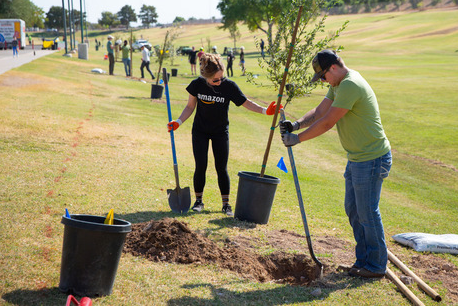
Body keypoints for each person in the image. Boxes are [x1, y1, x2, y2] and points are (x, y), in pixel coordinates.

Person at [280, 49, 392, 279]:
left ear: (333, 68)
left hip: (372, 159)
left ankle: (377, 265)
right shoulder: (338, 84)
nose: (322, 81)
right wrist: (296, 125)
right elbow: (320, 110)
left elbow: (328, 122)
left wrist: (297, 140)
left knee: (367, 212)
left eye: (322, 76)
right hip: (357, 158)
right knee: (353, 209)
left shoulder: (350, 84)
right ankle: (364, 260)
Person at [167, 53, 282, 217]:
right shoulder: (197, 85)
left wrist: (265, 111)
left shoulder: (229, 86)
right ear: (205, 77)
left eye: (221, 78)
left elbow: (246, 103)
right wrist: (178, 121)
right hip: (200, 131)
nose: (219, 82)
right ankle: (198, 201)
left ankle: (226, 204)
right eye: (215, 80)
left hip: (220, 132)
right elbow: (190, 107)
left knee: (221, 168)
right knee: (201, 166)